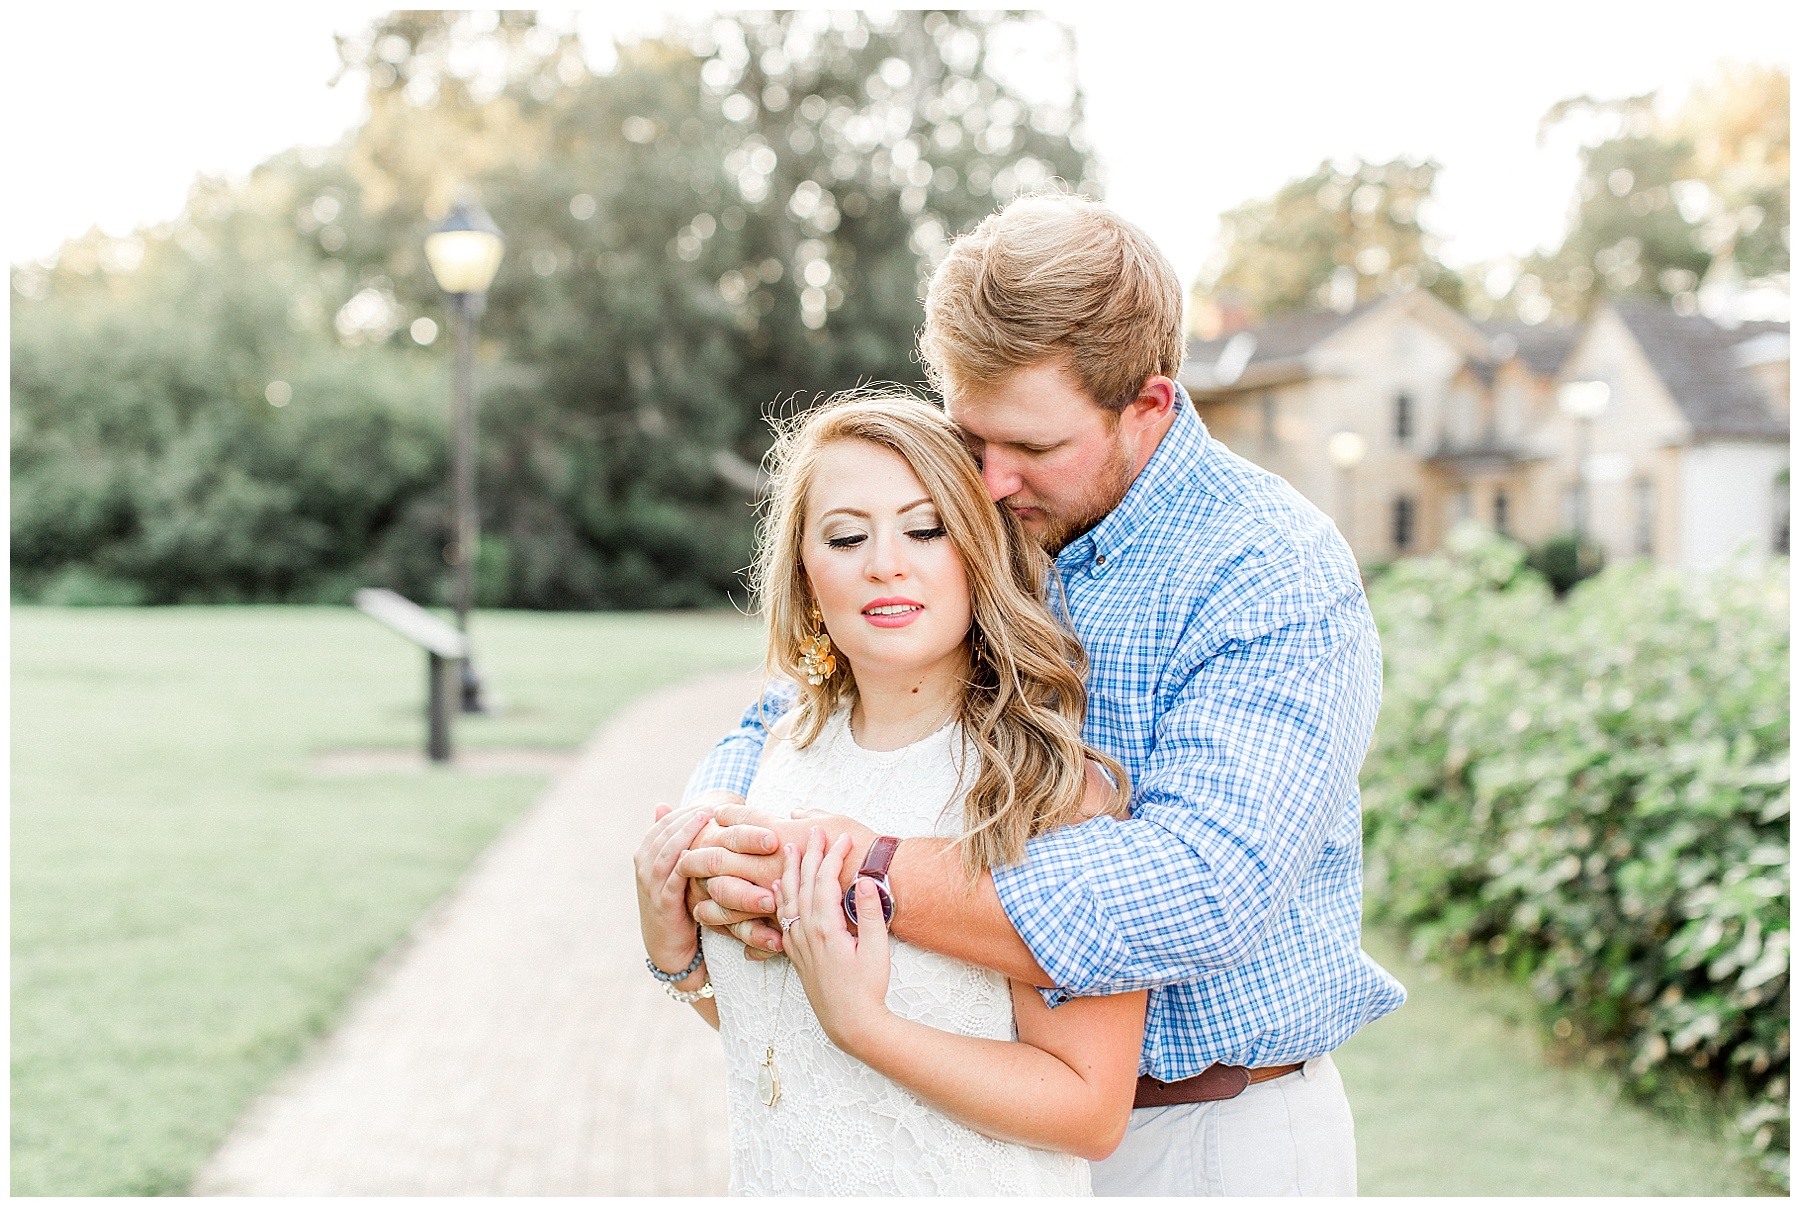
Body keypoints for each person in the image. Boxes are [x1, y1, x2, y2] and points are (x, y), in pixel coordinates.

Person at [674, 193, 1406, 1196]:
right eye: (973, 436)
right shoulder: (986, 504)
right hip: (970, 1121)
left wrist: (858, 867)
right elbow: (804, 694)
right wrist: (720, 823)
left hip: (1206, 1136)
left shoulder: (1272, 570)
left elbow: (1200, 888)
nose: (993, 481)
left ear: (1148, 405)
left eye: (1032, 446)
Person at [634, 393, 1149, 1195]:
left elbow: (1090, 1108)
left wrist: (867, 1026)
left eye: (925, 528)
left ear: (979, 548)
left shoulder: (1041, 782)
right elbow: (780, 1043)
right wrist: (676, 958)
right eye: (846, 535)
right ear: (805, 568)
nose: (885, 562)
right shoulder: (781, 756)